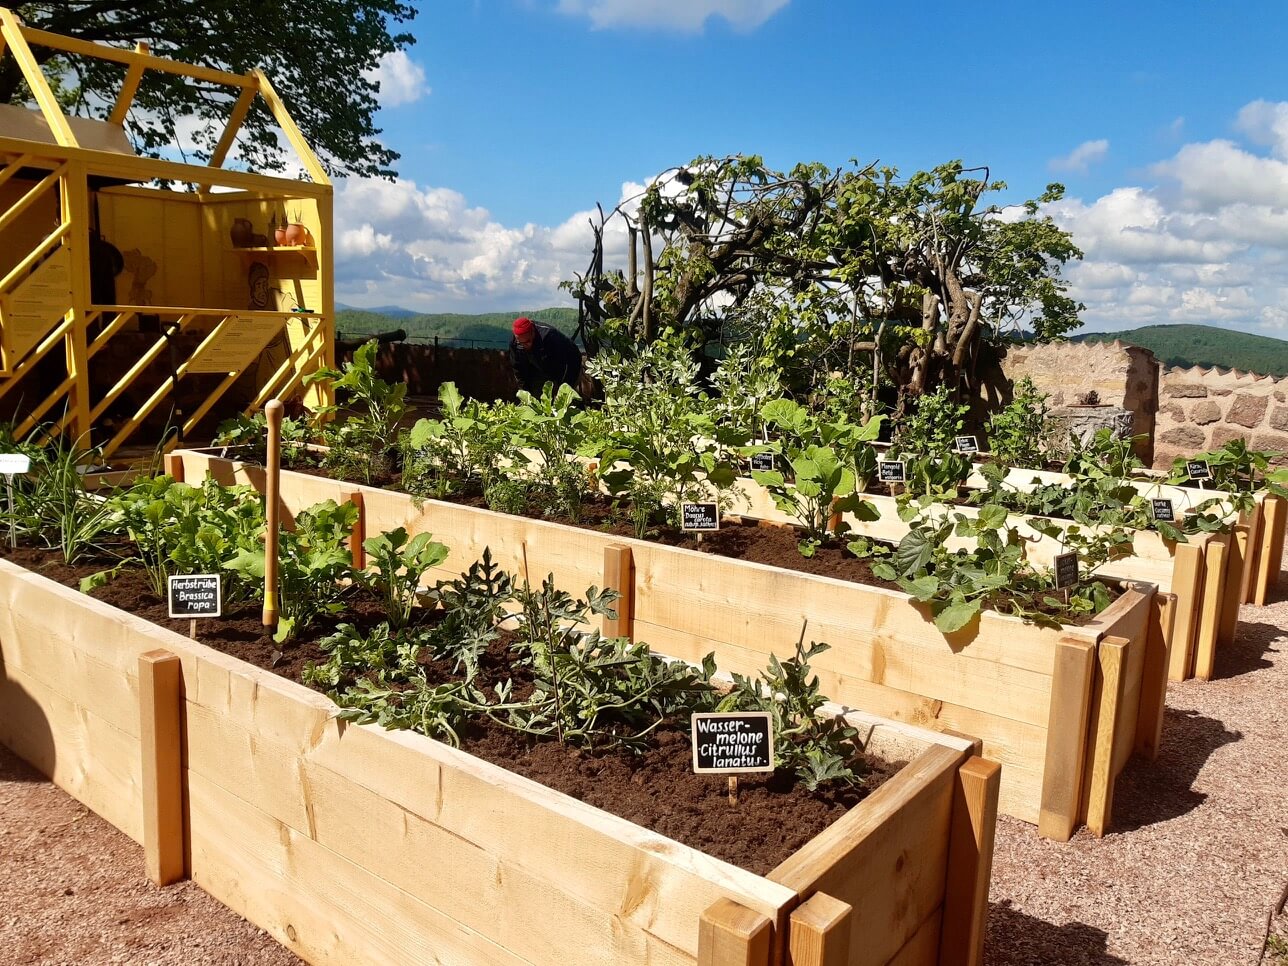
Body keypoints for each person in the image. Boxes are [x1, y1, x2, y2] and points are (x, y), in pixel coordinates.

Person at [508, 316, 582, 396]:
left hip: (569, 363)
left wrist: (564, 388)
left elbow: (569, 362)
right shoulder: (515, 344)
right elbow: (518, 368)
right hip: (540, 366)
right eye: (521, 343)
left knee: (565, 397)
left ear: (533, 331)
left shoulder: (549, 336)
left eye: (528, 341)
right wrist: (525, 392)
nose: (526, 345)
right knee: (535, 396)